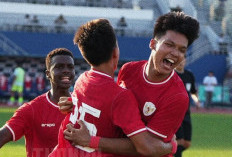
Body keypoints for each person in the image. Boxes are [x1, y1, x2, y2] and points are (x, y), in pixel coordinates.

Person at [60, 11, 200, 157]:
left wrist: (91, 141)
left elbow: (147, 148)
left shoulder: (177, 97)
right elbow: (110, 105)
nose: (175, 53)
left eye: (182, 50)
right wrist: (77, 102)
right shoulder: (129, 70)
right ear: (153, 44)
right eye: (169, 45)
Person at [0, 48, 75, 157]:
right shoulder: (31, 110)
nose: (66, 70)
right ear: (48, 74)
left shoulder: (83, 104)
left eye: (70, 67)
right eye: (59, 67)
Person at [174, 56, 201, 157]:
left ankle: (168, 152)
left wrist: (197, 101)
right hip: (175, 113)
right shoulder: (171, 75)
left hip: (187, 113)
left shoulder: (189, 75)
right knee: (179, 140)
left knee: (186, 143)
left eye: (183, 60)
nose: (181, 62)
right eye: (179, 60)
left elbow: (193, 92)